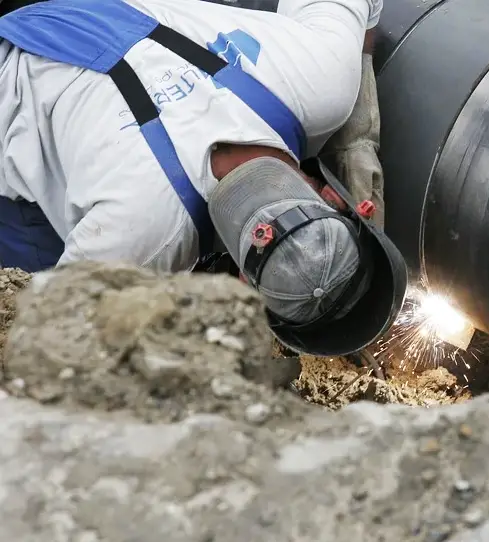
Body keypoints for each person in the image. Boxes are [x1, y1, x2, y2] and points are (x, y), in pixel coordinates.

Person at [0, 0, 405, 354]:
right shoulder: (140, 244)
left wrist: (355, 127)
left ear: (337, 201)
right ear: (243, 284)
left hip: (93, 12)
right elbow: (44, 339)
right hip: (12, 78)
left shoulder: (320, 80)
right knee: (40, 273)